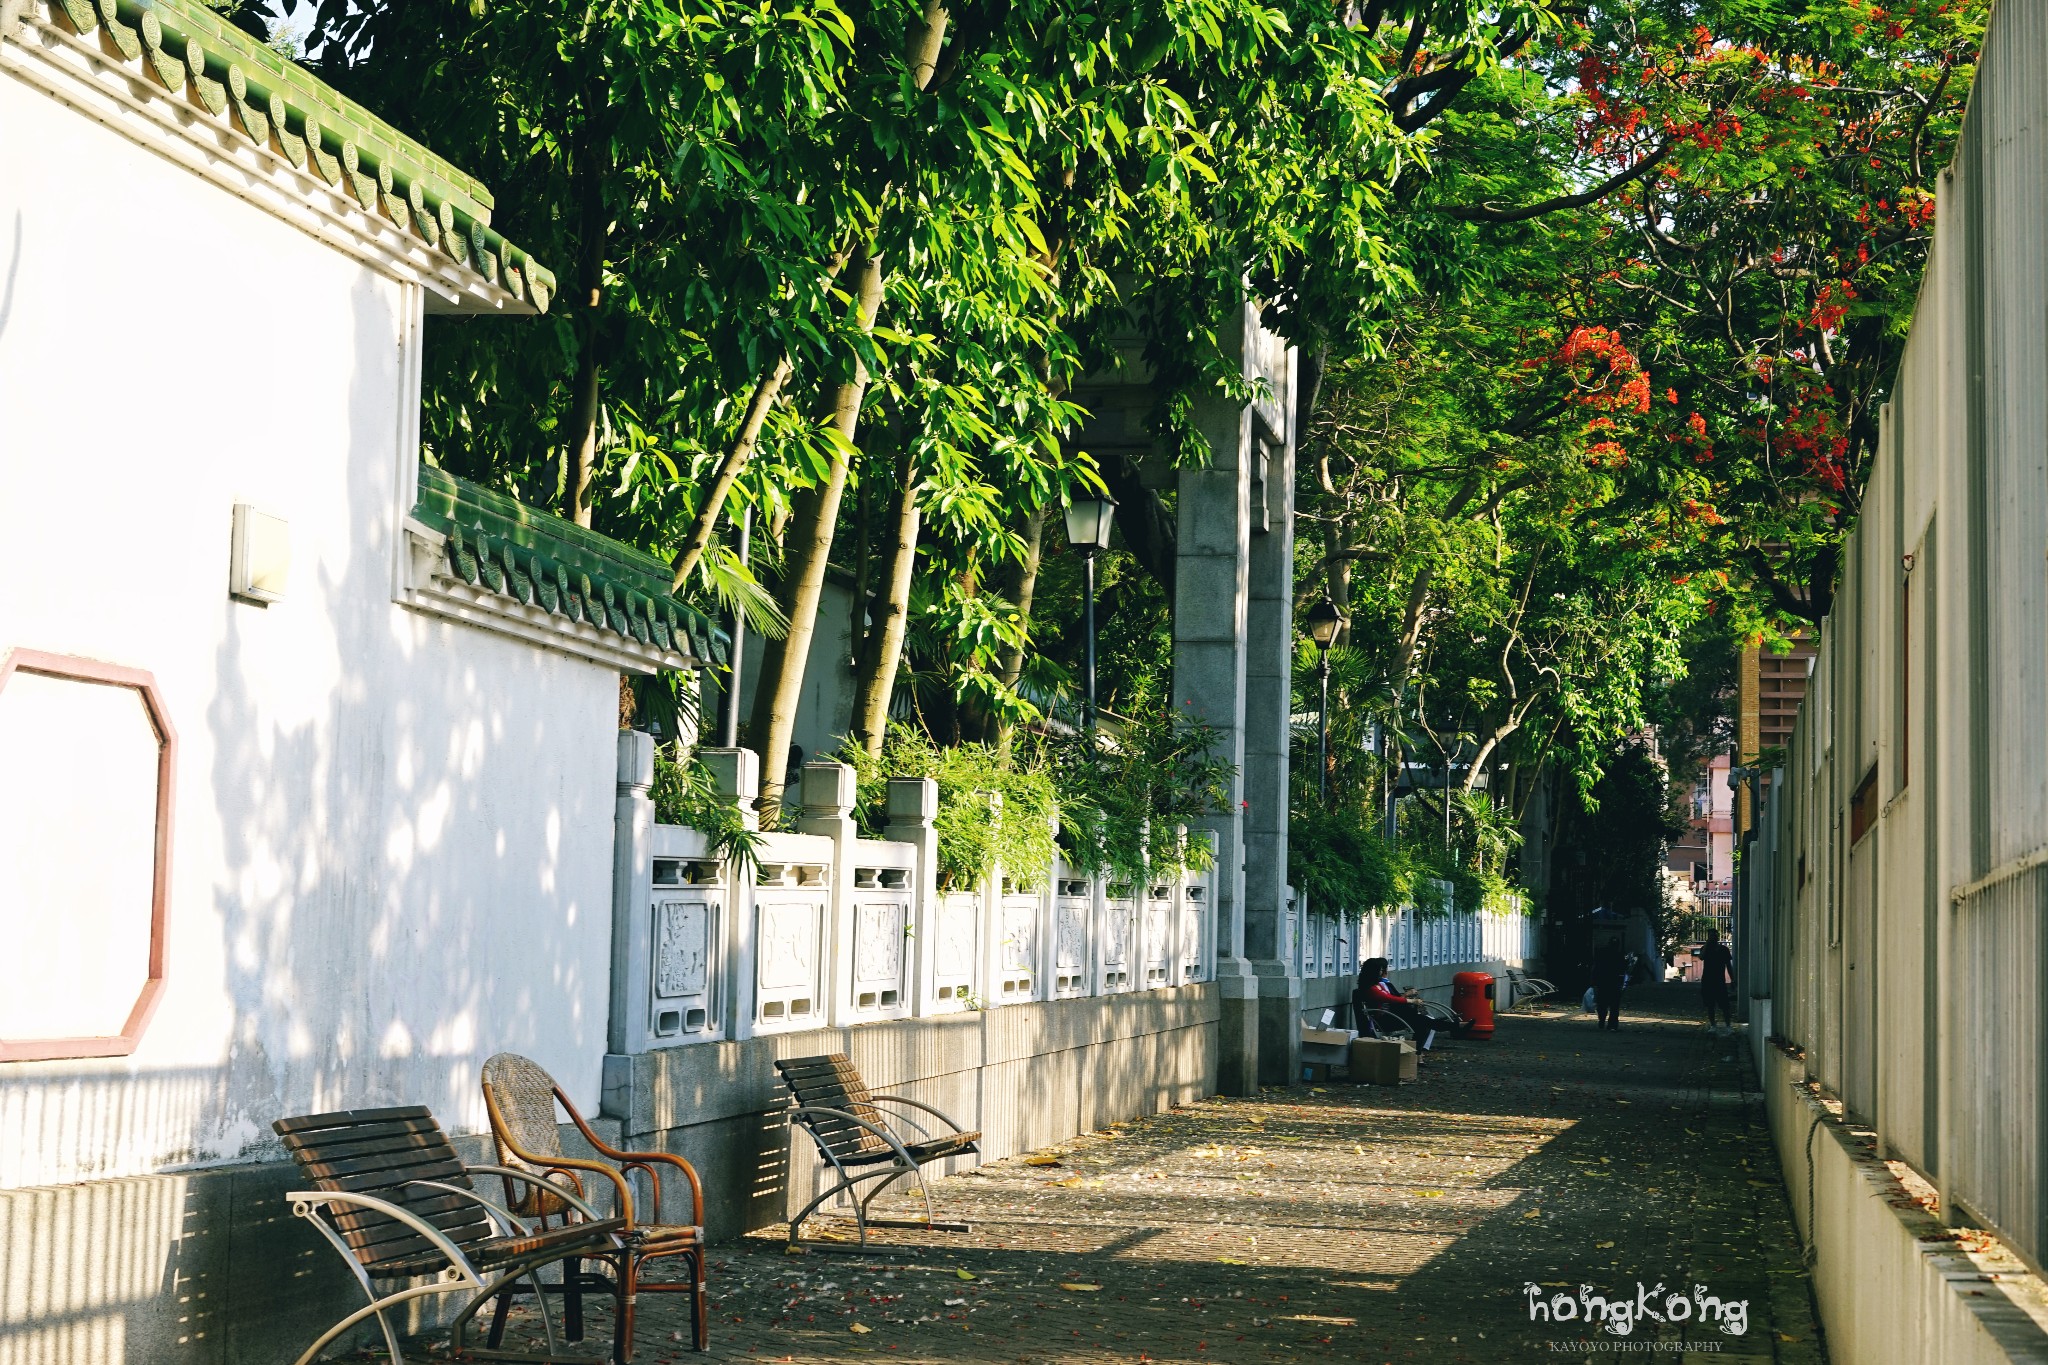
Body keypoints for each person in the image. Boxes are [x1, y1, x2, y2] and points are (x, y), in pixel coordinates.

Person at [1353, 957, 1438, 1051]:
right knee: (1425, 1022)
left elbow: (1392, 999)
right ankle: (1417, 1053)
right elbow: (1391, 999)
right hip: (1388, 1019)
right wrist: (1410, 1000)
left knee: (1425, 1022)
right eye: (1381, 970)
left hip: (1392, 1015)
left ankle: (1453, 1026)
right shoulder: (1374, 988)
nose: (1383, 972)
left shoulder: (1376, 985)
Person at [1699, 927, 1735, 1033]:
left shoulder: (1724, 949)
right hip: (1707, 980)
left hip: (1719, 980)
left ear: (1717, 936)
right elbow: (1701, 957)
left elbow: (1728, 965)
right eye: (1711, 935)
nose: (1713, 937)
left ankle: (1728, 1025)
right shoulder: (1704, 948)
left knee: (1725, 1005)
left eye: (1714, 935)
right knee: (1710, 1004)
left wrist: (1732, 980)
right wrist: (1706, 944)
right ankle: (1713, 1025)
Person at [1591, 935, 1625, 1031]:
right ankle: (1612, 1025)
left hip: (1603, 982)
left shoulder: (1602, 953)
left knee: (1602, 1003)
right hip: (1613, 982)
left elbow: (1596, 967)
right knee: (1614, 1005)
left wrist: (1594, 981)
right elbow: (1622, 970)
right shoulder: (1619, 955)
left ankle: (1602, 1019)